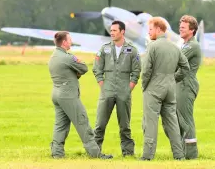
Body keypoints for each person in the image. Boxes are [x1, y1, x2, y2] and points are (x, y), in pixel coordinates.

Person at [48, 31, 113, 159]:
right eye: (70, 39)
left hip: (56, 93)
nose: (71, 42)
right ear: (65, 42)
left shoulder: (53, 57)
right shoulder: (67, 57)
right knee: (82, 122)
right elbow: (83, 68)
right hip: (68, 95)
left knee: (60, 124)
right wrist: (76, 73)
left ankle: (57, 152)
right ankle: (95, 153)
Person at [140, 17, 190, 161]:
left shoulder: (152, 46)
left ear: (158, 29)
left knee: (151, 121)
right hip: (170, 87)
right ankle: (179, 155)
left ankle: (148, 155)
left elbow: (146, 70)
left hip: (154, 88)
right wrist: (174, 79)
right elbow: (185, 67)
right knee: (172, 122)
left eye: (150, 29)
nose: (149, 32)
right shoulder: (175, 46)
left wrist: (145, 86)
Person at [92, 20, 141, 156]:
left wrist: (128, 89)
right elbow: (97, 69)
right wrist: (103, 85)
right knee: (100, 124)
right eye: (111, 30)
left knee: (125, 126)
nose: (112, 33)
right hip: (106, 91)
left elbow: (136, 71)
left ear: (122, 32)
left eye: (114, 30)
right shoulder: (104, 48)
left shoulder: (132, 49)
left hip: (124, 92)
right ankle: (95, 151)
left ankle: (128, 153)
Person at [176, 15, 202, 160]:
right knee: (178, 120)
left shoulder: (192, 46)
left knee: (186, 119)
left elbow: (176, 60)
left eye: (183, 27)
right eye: (180, 26)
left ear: (192, 30)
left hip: (186, 85)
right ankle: (181, 152)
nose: (180, 29)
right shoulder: (184, 44)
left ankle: (191, 154)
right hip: (179, 84)